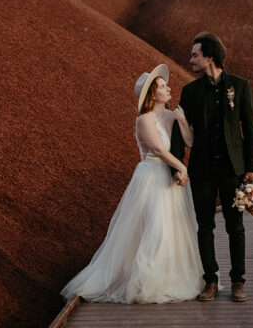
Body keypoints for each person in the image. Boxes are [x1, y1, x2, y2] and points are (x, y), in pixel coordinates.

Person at [61, 64, 204, 303]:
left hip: (171, 179)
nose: (168, 88)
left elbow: (190, 142)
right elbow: (158, 149)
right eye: (162, 87)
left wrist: (181, 119)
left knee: (174, 229)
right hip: (151, 178)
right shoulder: (144, 120)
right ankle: (145, 280)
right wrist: (180, 166)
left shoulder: (171, 115)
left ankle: (167, 276)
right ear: (152, 95)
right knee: (154, 228)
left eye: (165, 85)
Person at [170, 32, 253, 302]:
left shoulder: (240, 86)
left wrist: (252, 167)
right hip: (202, 171)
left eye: (195, 54)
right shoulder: (190, 91)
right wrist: (177, 165)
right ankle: (210, 280)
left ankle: (238, 281)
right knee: (204, 226)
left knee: (236, 227)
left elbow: (250, 129)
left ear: (210, 57)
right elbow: (178, 131)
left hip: (234, 170)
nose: (191, 59)